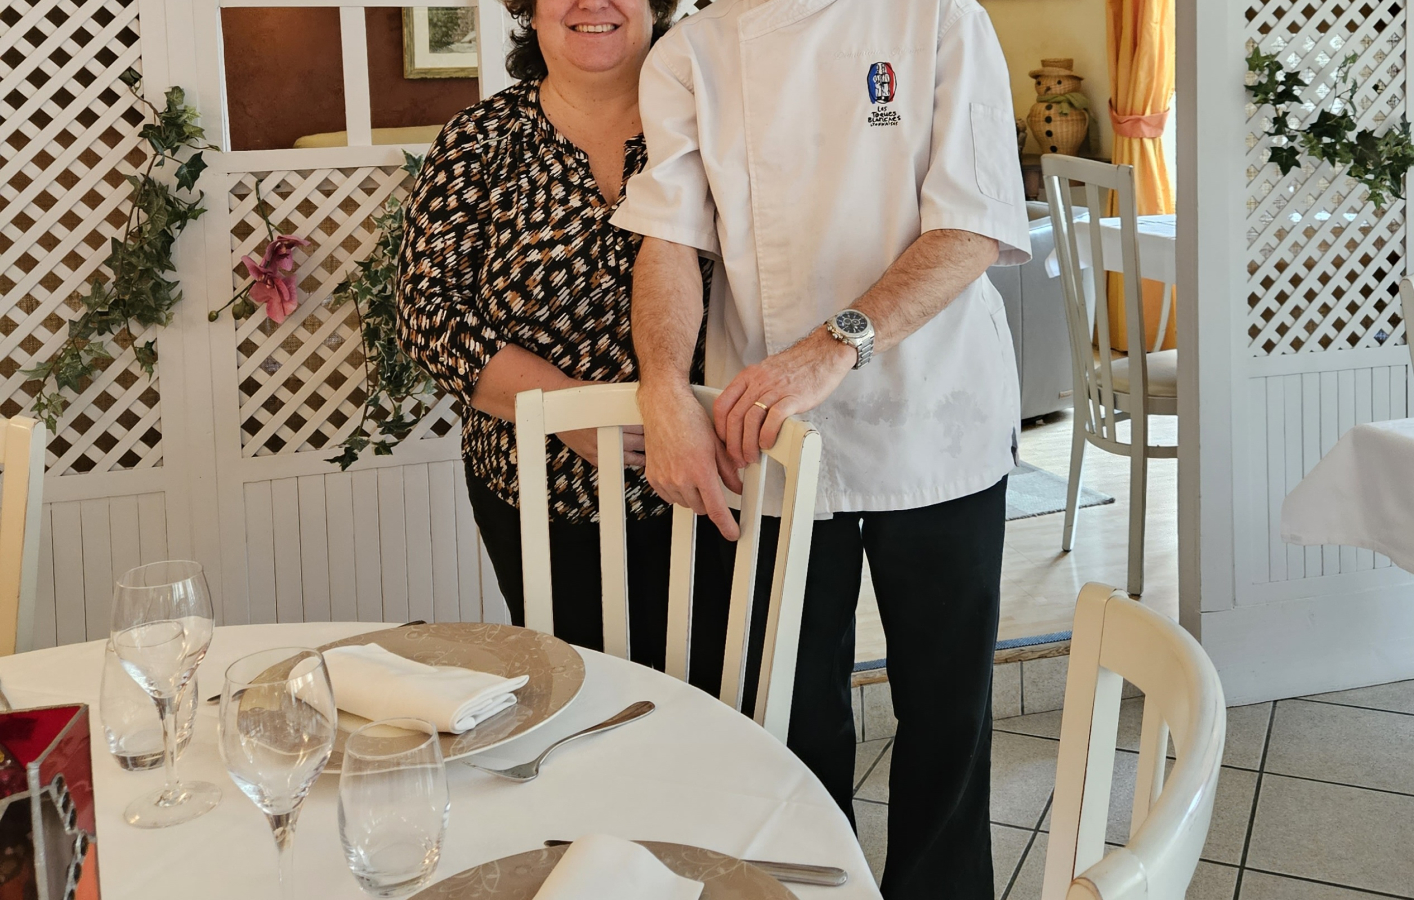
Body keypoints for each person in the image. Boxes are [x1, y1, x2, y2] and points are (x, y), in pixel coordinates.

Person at [611, 0, 1030, 896]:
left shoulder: (941, 18)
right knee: (788, 716)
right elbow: (669, 238)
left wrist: (831, 347)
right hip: (766, 435)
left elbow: (972, 227)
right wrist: (662, 384)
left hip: (935, 418)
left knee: (947, 715)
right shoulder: (691, 52)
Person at [397, 0, 730, 682]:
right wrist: (568, 409)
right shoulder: (479, 139)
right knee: (583, 704)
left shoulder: (716, 124)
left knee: (717, 708)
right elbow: (429, 314)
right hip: (541, 496)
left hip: (714, 485)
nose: (592, 3)